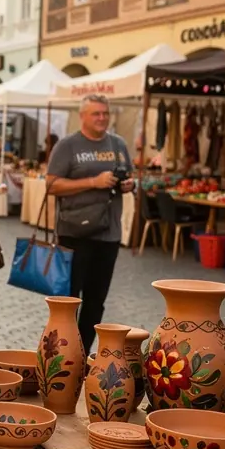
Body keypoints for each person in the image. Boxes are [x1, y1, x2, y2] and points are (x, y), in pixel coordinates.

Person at [46, 93, 134, 354]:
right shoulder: (68, 146)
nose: (102, 118)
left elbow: (127, 177)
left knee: (96, 302)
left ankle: (81, 354)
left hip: (108, 234)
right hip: (74, 233)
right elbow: (51, 185)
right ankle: (61, 353)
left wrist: (128, 184)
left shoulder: (118, 144)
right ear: (82, 116)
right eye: (96, 113)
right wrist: (92, 182)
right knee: (69, 301)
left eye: (105, 113)